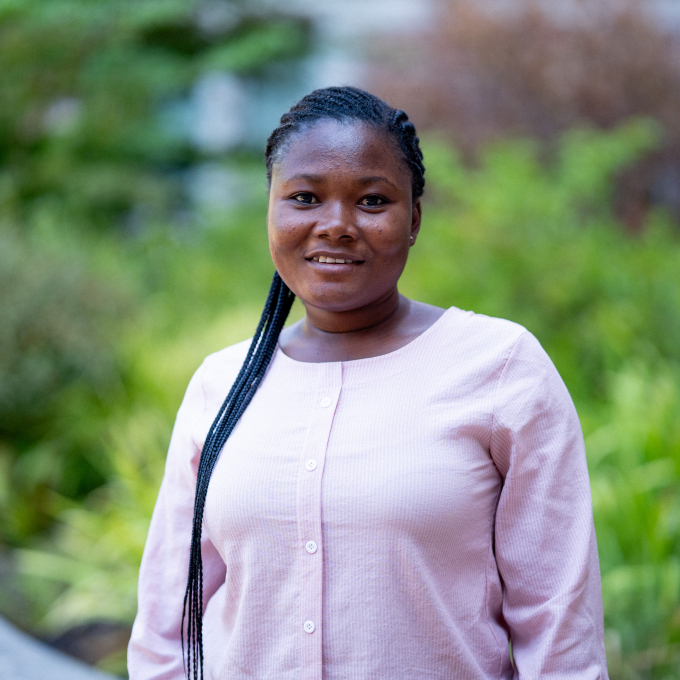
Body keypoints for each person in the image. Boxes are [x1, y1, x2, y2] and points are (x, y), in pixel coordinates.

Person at [128, 86, 609, 680]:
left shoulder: (502, 368)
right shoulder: (221, 384)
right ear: (271, 211)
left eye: (372, 200)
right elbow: (165, 630)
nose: (336, 225)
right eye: (304, 197)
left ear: (414, 219)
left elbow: (558, 628)